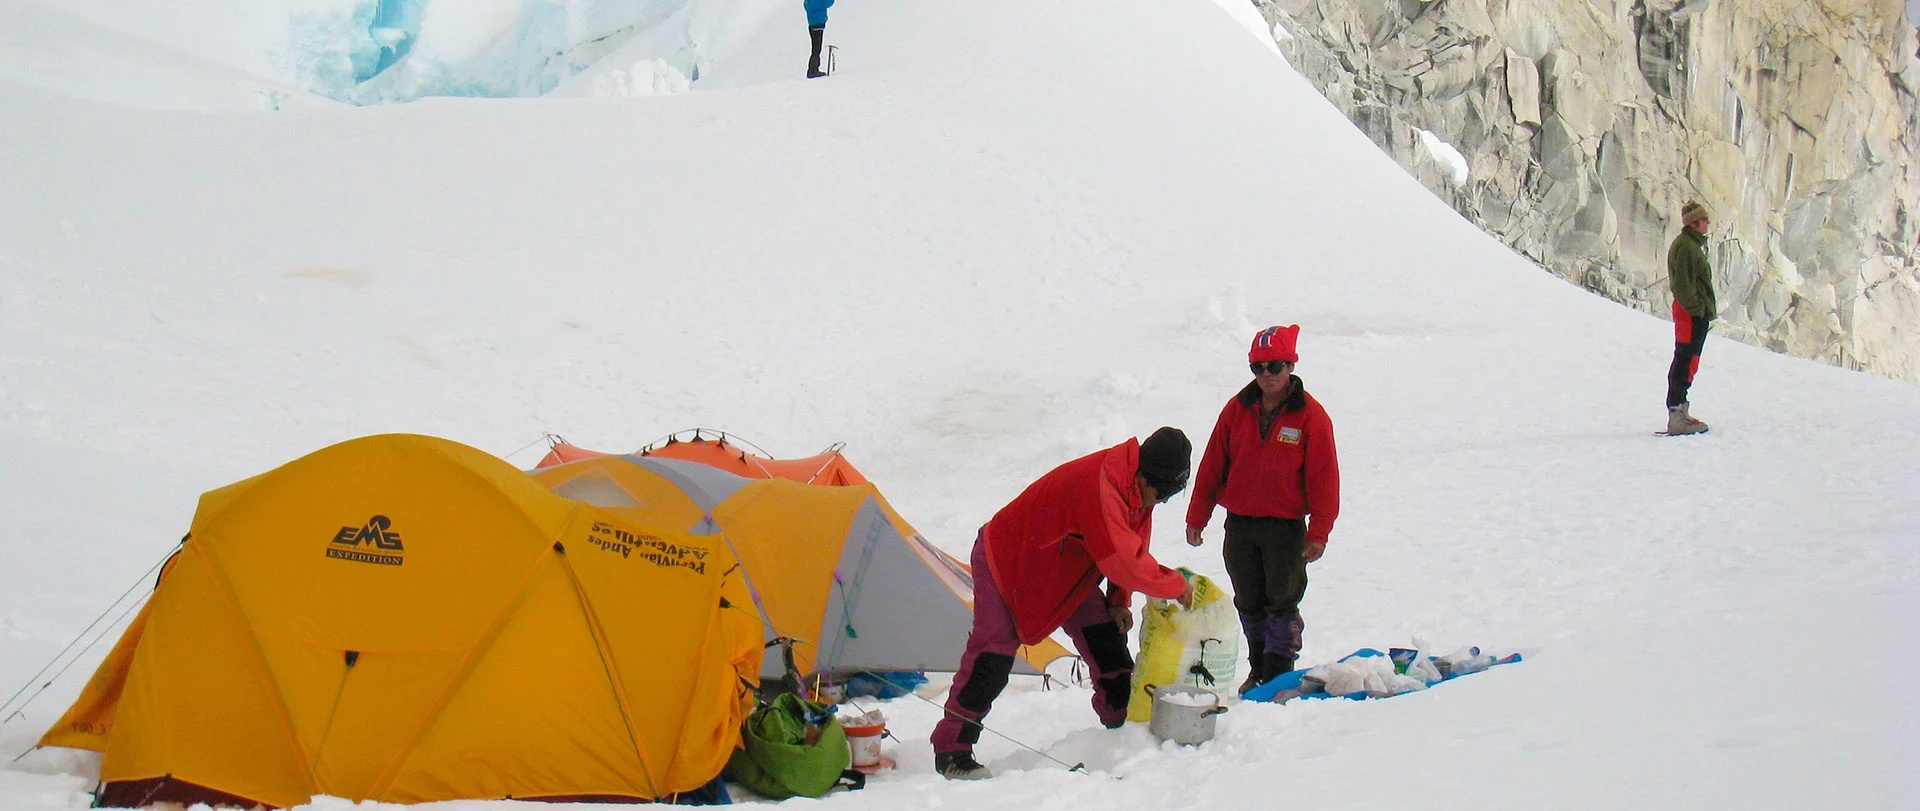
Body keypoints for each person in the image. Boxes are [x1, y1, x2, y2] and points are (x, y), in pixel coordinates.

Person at [930, 428, 1196, 781]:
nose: (1160, 501)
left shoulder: (1137, 486)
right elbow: (1122, 558)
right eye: (1161, 493)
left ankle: (1122, 725)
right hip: (1007, 559)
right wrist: (1175, 586)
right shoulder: (1103, 486)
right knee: (992, 655)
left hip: (1063, 566)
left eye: (1170, 496)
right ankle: (951, 748)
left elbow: (1133, 540)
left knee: (1106, 639)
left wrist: (1118, 600)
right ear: (1145, 475)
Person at [1184, 325, 1340, 695]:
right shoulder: (1237, 410)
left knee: (1282, 603)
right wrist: (1197, 516)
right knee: (1249, 602)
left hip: (1286, 529)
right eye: (1258, 368)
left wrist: (1319, 532)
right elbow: (1212, 465)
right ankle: (1258, 670)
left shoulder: (1311, 417)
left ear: (1291, 366)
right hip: (1239, 525)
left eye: (1275, 366)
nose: (1267, 376)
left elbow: (1324, 479)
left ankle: (1279, 673)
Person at [1665, 201, 1716, 435]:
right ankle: (1677, 414)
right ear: (1693, 223)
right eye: (1704, 219)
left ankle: (1681, 411)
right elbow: (1683, 285)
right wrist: (1698, 309)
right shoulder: (1686, 247)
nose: (1707, 223)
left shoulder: (1690, 245)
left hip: (1692, 313)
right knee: (1685, 358)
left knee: (1689, 359)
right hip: (1689, 313)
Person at [805, 0, 834, 78]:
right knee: (816, 49)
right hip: (817, 25)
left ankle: (813, 69)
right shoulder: (815, 2)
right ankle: (813, 70)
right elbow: (828, 3)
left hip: (813, 24)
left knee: (815, 48)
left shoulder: (808, 2)